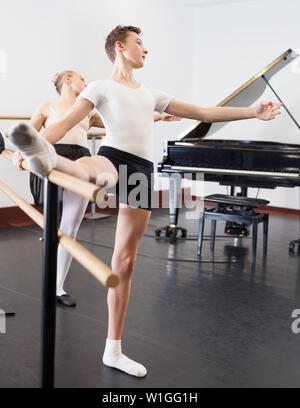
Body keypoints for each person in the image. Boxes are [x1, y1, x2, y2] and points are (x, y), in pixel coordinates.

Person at [8, 25, 282, 377]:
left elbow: (205, 112)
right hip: (113, 155)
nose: (146, 50)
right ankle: (48, 159)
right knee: (96, 172)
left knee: (125, 262)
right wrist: (38, 143)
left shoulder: (151, 94)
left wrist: (252, 111)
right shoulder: (99, 88)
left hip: (141, 169)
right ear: (120, 47)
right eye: (141, 43)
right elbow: (62, 126)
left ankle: (114, 350)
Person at [12, 70, 180, 308]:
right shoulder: (46, 106)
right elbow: (30, 134)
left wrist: (159, 117)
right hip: (54, 159)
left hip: (81, 160)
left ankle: (57, 287)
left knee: (70, 225)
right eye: (82, 78)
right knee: (52, 224)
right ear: (67, 81)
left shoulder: (89, 111)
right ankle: (51, 273)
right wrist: (22, 152)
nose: (86, 82)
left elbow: (126, 121)